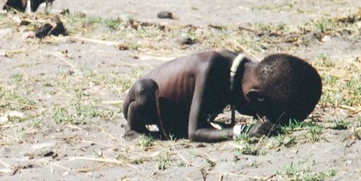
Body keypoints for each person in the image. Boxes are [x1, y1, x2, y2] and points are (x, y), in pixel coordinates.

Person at [122, 50, 322, 142]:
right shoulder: (212, 68)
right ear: (255, 98)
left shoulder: (241, 71)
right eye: (263, 114)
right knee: (144, 92)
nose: (260, 118)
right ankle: (133, 130)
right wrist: (242, 131)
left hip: (176, 114)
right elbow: (195, 132)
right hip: (145, 101)